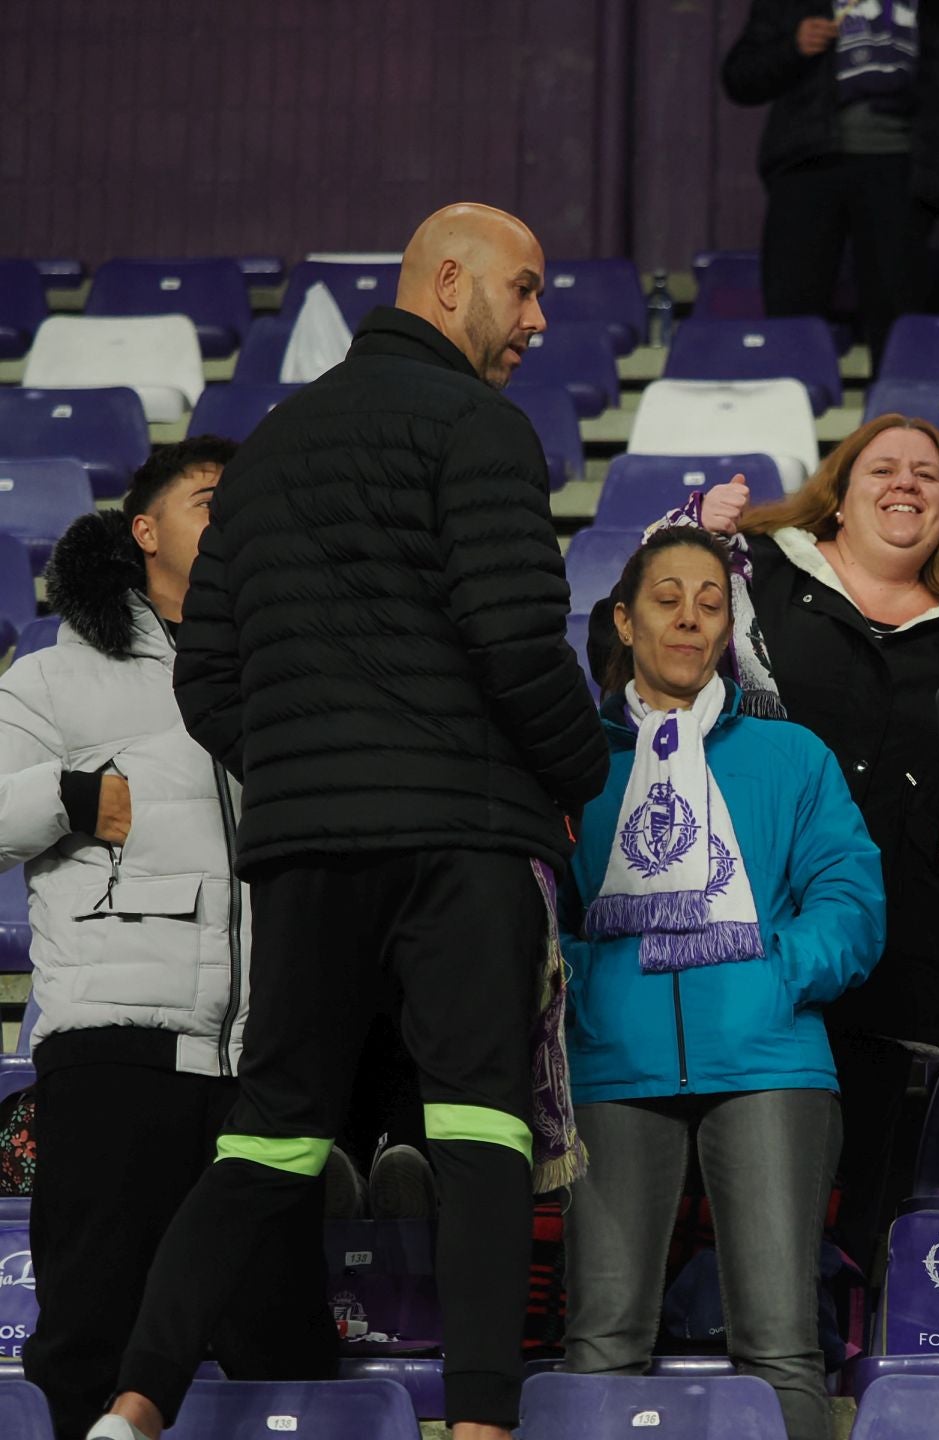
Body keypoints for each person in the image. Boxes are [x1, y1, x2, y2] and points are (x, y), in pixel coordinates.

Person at [86, 203, 608, 1440]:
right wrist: (579, 772)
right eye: (524, 290)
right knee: (480, 1131)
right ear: (446, 280)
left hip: (306, 850)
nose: (539, 319)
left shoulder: (261, 456)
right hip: (462, 843)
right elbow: (515, 641)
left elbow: (205, 682)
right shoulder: (481, 428)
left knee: (268, 1135)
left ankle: (131, 1407)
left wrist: (313, 771)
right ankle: (480, 1427)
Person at [0, 441, 333, 1440]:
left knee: (283, 1352)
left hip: (264, 1064)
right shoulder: (56, 675)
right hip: (116, 1052)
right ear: (144, 531)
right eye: (207, 501)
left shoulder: (292, 669)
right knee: (90, 1343)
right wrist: (70, 795)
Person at [637, 415, 939, 1280]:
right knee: (704, 1189)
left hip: (892, 965)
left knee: (841, 1208)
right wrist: (694, 534)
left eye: (928, 474)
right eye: (883, 468)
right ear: (837, 496)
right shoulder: (754, 572)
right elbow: (640, 648)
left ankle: (819, 1370)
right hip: (731, 935)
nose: (906, 483)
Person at [561, 527, 884, 1440]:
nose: (691, 619)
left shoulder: (792, 757)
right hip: (614, 1062)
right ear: (623, 620)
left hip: (770, 1059)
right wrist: (585, 982)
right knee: (602, 1340)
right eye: (667, 599)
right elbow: (534, 907)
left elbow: (851, 899)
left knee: (782, 1347)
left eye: (711, 602)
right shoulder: (573, 760)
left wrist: (778, 971)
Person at [721, 0, 939, 360]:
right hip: (807, 164)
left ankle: (894, 412)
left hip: (900, 168)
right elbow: (738, 78)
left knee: (897, 325)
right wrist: (792, 47)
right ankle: (791, 405)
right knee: (792, 316)